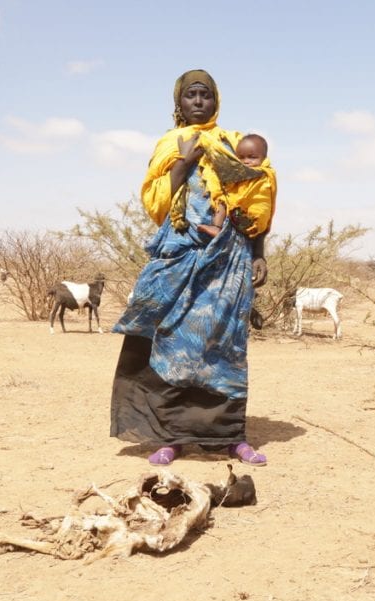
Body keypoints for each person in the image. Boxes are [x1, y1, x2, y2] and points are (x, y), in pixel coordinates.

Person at [110, 69, 273, 467]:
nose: (199, 102)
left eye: (205, 95)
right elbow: (158, 204)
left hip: (228, 258)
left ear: (217, 100)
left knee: (224, 345)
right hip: (180, 254)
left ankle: (230, 436)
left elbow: (257, 196)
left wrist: (259, 252)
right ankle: (171, 437)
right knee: (169, 341)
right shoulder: (170, 143)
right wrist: (186, 160)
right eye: (191, 96)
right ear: (178, 104)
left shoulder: (237, 143)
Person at [197, 133, 274, 239]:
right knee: (224, 199)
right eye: (241, 158)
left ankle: (216, 226)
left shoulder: (263, 172)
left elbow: (263, 198)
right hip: (242, 217)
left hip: (254, 217)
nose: (246, 161)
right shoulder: (248, 171)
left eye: (252, 157)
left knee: (223, 200)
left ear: (264, 158)